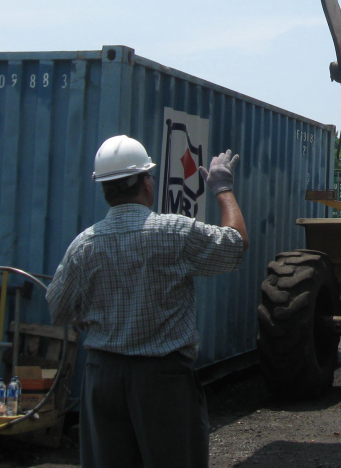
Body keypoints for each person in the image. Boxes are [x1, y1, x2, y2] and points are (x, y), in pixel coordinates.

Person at [46, 134, 247, 468]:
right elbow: (236, 245)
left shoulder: (83, 245)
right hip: (163, 381)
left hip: (102, 378)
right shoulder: (174, 232)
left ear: (104, 189)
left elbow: (58, 310)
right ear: (145, 183)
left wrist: (82, 313)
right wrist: (223, 188)